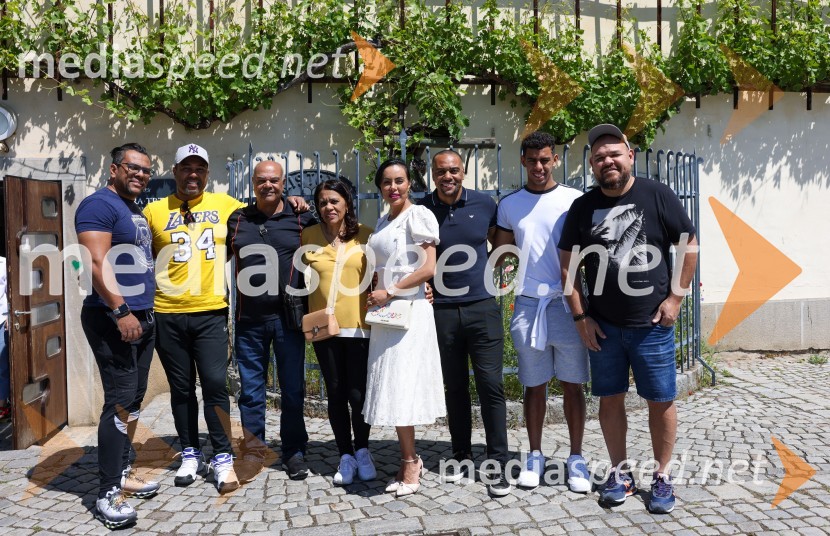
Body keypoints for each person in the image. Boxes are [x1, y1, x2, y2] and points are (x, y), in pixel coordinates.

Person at [558, 124, 698, 514]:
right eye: (599, 157)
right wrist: (580, 317)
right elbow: (567, 268)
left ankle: (662, 476)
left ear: (630, 155)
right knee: (610, 400)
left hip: (652, 326)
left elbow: (689, 245)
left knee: (661, 400)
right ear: (592, 164)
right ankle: (620, 474)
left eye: (614, 154)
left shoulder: (656, 194)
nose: (608, 161)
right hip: (603, 328)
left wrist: (675, 298)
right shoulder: (583, 207)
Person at [492, 131, 591, 493]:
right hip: (528, 304)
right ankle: (534, 455)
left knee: (573, 384)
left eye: (545, 159)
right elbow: (501, 257)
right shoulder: (509, 205)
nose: (539, 166)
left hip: (567, 303)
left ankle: (576, 457)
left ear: (555, 160)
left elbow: (588, 252)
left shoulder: (574, 200)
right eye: (532, 160)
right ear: (523, 160)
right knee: (533, 385)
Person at [144, 143, 245, 493]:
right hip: (167, 313)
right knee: (182, 388)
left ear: (207, 173)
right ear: (174, 172)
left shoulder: (225, 204)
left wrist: (295, 203)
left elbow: (263, 216)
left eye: (199, 168)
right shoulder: (154, 211)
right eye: (186, 168)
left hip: (210, 311)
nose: (193, 174)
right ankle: (190, 452)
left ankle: (222, 455)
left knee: (215, 384)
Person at [75, 143, 160, 529]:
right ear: (114, 169)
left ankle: (123, 471)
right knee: (120, 402)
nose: (140, 174)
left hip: (142, 318)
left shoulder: (133, 209)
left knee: (134, 401)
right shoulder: (99, 205)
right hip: (114, 319)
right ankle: (107, 491)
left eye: (146, 170)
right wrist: (121, 311)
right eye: (133, 167)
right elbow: (96, 262)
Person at [418, 150, 511, 496]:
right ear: (433, 174)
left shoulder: (485, 204)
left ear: (463, 172)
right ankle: (461, 454)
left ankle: (498, 462)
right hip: (440, 311)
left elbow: (502, 248)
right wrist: (423, 285)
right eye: (441, 171)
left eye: (454, 170)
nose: (448, 177)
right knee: (454, 387)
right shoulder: (421, 209)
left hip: (482, 307)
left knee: (491, 386)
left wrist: (497, 283)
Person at [226, 160, 316, 481]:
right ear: (253, 183)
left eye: (274, 180)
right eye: (262, 180)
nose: (268, 185)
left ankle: (293, 451)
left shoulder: (301, 217)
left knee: (292, 389)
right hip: (249, 320)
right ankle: (253, 451)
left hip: (289, 319)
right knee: (251, 391)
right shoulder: (237, 219)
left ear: (283, 183)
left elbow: (333, 245)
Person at [363, 158, 446, 497]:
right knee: (393, 386)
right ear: (380, 187)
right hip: (386, 313)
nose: (393, 187)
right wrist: (376, 290)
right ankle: (408, 457)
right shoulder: (383, 220)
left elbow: (428, 268)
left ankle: (411, 462)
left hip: (409, 312)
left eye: (399, 180)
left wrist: (392, 290)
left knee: (403, 386)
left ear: (410, 183)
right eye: (387, 182)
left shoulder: (419, 216)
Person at [302, 179, 376, 486]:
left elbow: (385, 273)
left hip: (359, 326)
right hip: (323, 326)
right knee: (335, 391)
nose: (328, 207)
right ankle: (345, 454)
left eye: (334, 201)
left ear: (347, 203)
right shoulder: (308, 236)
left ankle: (363, 450)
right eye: (323, 202)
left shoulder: (367, 235)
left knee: (358, 393)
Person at [0, 255, 9, 424]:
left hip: (1, 319)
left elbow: (10, 291)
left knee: (2, 365)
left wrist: (9, 314)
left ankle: (2, 406)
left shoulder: (3, 263)